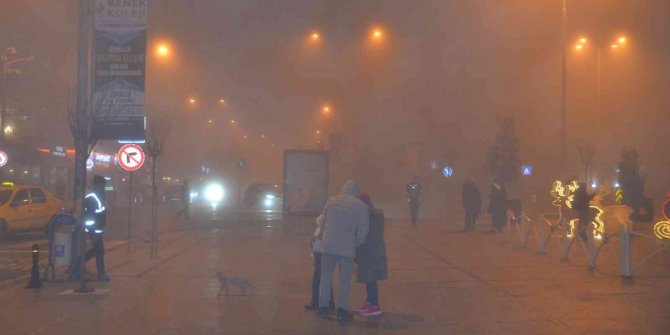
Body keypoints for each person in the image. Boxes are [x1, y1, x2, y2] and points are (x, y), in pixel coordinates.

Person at [317, 180, 369, 323]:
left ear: (343, 189)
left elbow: (322, 220)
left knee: (326, 277)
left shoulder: (331, 201)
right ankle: (342, 309)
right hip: (347, 248)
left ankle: (323, 307)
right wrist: (356, 244)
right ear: (356, 192)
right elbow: (363, 229)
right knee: (344, 280)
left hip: (328, 246)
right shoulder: (360, 206)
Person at [354, 193, 387, 316]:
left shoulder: (367, 215)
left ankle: (374, 305)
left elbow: (365, 234)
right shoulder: (375, 213)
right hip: (374, 250)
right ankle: (369, 302)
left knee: (371, 278)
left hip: (370, 251)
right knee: (369, 278)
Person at [81, 175, 109, 281]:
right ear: (98, 184)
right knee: (99, 251)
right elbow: (92, 215)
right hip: (94, 228)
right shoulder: (93, 197)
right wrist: (93, 231)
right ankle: (101, 274)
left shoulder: (99, 195)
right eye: (103, 184)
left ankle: (77, 263)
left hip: (97, 228)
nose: (104, 186)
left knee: (96, 250)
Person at [304, 214, 334, 312]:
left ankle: (318, 303)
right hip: (322, 251)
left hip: (321, 251)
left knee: (319, 278)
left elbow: (319, 222)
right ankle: (328, 302)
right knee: (324, 277)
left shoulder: (326, 220)